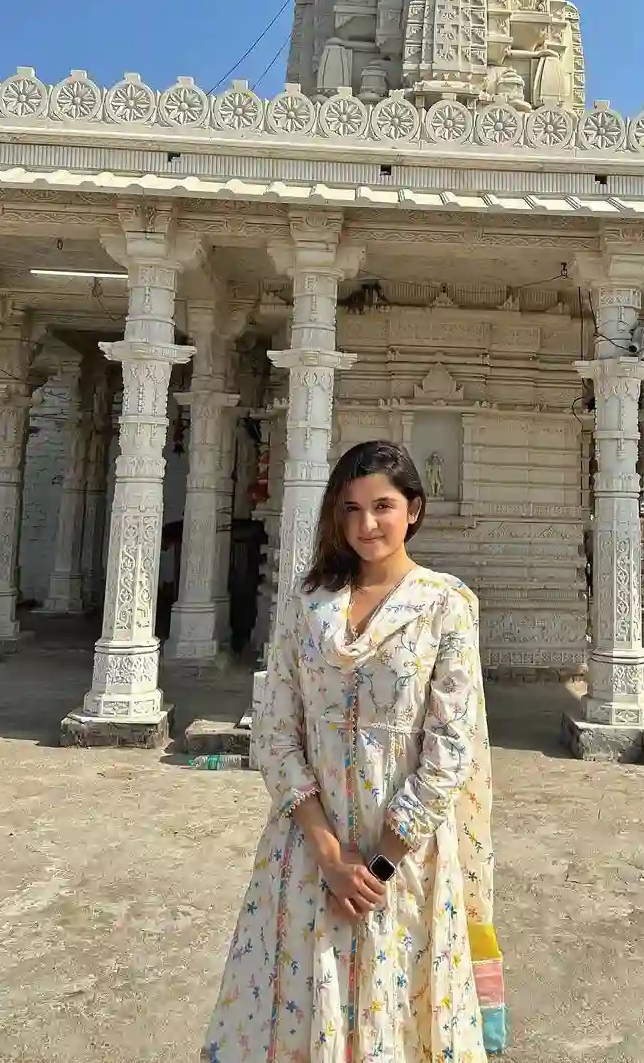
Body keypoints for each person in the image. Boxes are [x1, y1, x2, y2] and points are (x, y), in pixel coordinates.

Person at [204, 440, 507, 1062]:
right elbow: (276, 731)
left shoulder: (445, 605)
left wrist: (378, 866)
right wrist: (330, 854)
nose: (366, 524)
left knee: (393, 1013)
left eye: (382, 506)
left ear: (414, 510)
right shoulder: (308, 602)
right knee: (298, 1008)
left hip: (402, 857)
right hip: (308, 852)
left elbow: (450, 744)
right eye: (350, 509)